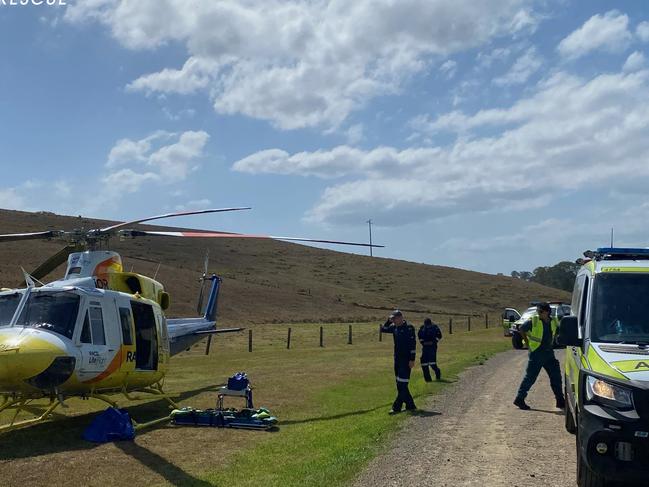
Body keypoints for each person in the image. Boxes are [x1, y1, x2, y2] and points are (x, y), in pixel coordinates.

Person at [513, 302, 565, 410]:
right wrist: (527, 343)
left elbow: (559, 332)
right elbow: (522, 329)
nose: (538, 313)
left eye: (540, 311)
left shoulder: (554, 321)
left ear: (547, 312)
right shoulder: (534, 320)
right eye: (538, 311)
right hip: (536, 353)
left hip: (549, 354)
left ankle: (560, 400)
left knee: (556, 377)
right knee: (530, 378)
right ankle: (519, 399)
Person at [381, 309, 417, 414]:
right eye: (392, 319)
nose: (393, 321)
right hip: (397, 359)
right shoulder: (394, 327)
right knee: (399, 384)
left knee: (402, 384)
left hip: (406, 360)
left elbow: (413, 344)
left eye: (394, 318)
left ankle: (396, 407)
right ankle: (410, 405)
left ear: (401, 318)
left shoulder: (409, 328)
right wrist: (388, 321)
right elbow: (383, 329)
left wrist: (412, 359)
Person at [418, 317, 442, 381]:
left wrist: (433, 342)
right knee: (424, 363)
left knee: (432, 363)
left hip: (432, 348)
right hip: (425, 347)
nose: (427, 326)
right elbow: (419, 336)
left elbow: (439, 336)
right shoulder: (422, 328)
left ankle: (438, 374)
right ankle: (428, 380)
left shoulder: (435, 327)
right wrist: (423, 342)